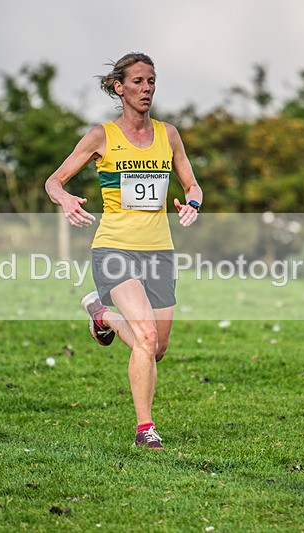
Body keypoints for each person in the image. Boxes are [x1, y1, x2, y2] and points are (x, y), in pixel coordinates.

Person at [45, 52, 202, 450]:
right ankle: (144, 429)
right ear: (119, 87)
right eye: (137, 82)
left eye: (151, 81)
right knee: (145, 335)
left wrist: (192, 204)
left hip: (159, 253)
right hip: (114, 249)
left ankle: (101, 315)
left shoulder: (169, 135)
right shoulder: (102, 136)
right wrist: (64, 199)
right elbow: (54, 181)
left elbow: (193, 185)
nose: (146, 88)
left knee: (156, 349)